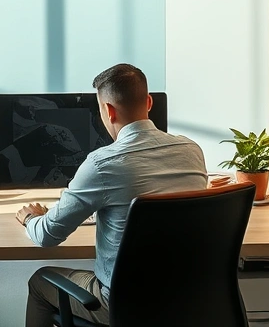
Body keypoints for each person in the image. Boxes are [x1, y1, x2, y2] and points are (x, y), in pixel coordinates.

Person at [16, 63, 208, 326]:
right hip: (188, 298)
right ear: (149, 102)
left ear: (107, 110)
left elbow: (47, 235)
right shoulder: (191, 150)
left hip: (125, 304)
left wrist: (30, 219)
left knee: (40, 281)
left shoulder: (101, 164)